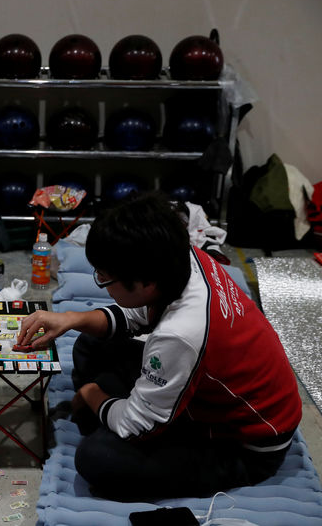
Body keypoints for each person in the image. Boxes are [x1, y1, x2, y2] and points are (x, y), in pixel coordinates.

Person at [16, 192, 302, 499]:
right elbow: (137, 313)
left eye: (105, 278)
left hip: (244, 444)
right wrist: (71, 319)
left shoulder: (180, 334)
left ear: (146, 282)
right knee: (90, 339)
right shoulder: (183, 257)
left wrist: (91, 394)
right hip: (204, 383)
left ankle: (101, 409)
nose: (101, 282)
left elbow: (133, 425)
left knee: (97, 457)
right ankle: (107, 407)